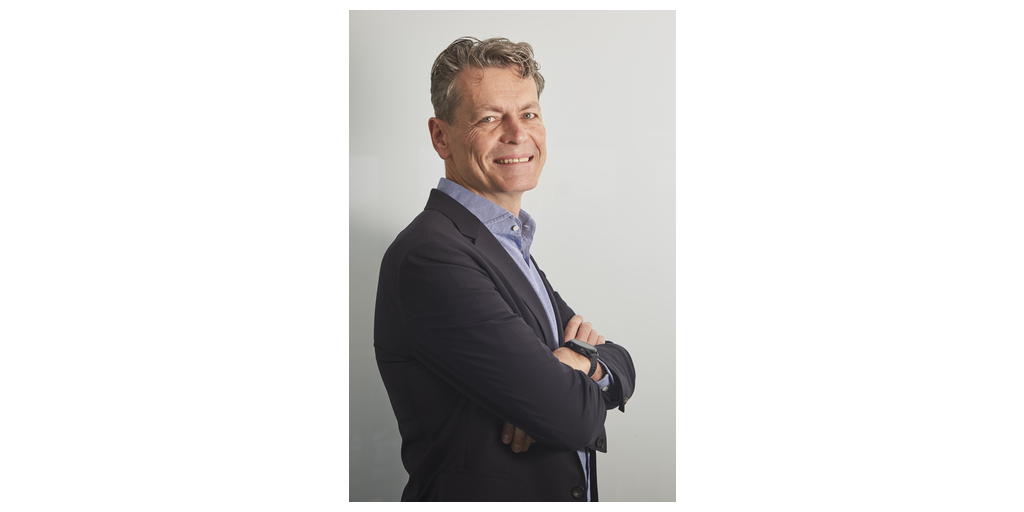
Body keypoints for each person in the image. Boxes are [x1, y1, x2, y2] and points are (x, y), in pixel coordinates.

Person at [373, 36, 636, 502]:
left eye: (529, 114)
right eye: (490, 118)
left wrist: (576, 361)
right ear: (440, 137)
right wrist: (565, 380)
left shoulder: (507, 243)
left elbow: (622, 363)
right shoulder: (431, 256)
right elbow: (571, 416)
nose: (517, 133)